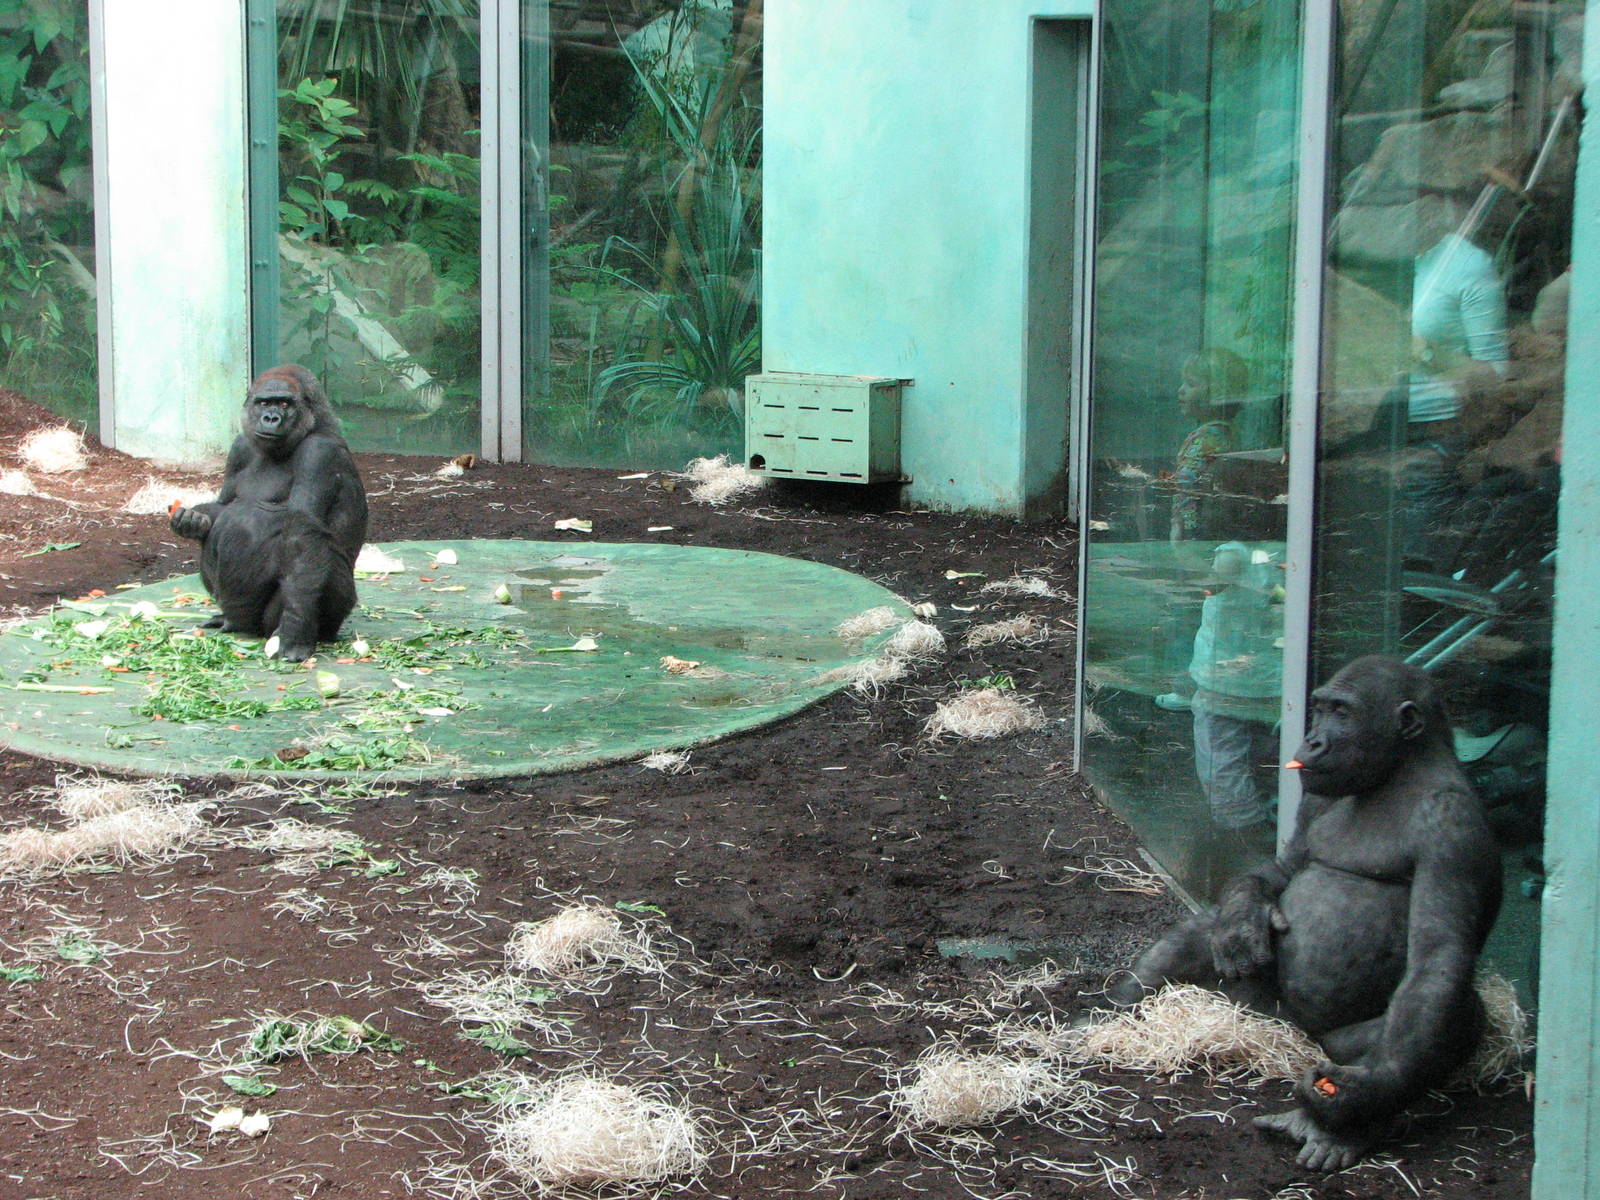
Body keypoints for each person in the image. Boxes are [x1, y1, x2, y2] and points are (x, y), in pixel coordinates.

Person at [1168, 348, 1250, 543]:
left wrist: (1179, 526)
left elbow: (1186, 483)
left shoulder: (1206, 438)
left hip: (1193, 530)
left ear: (1218, 391)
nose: (1181, 389)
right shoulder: (1227, 432)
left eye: (1191, 384)